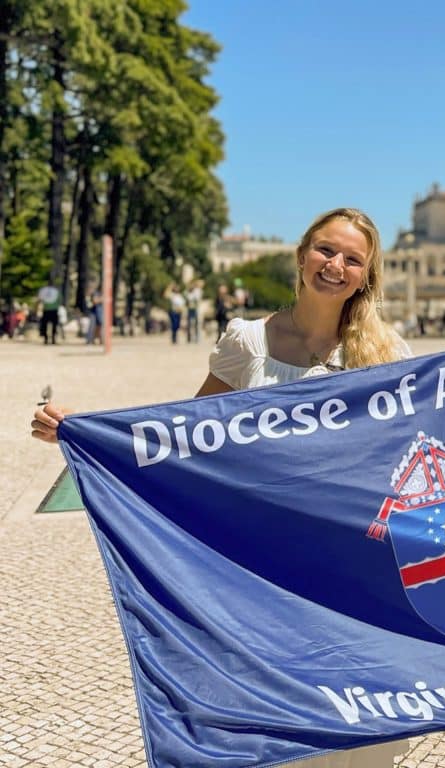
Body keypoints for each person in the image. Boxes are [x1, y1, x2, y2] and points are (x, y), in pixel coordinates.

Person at [32, 207, 412, 768]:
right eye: (326, 250)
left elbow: (405, 454)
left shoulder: (385, 353)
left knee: (360, 735)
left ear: (367, 275)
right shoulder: (248, 342)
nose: (335, 266)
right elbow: (183, 443)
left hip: (350, 568)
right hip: (257, 571)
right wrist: (84, 433)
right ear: (302, 254)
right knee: (278, 729)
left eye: (352, 259)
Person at [186, 279, 204, 343]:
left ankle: (197, 338)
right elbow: (189, 299)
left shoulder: (198, 291)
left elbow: (197, 299)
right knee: (190, 324)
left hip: (196, 309)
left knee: (197, 324)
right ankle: (190, 338)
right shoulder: (190, 291)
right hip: (191, 309)